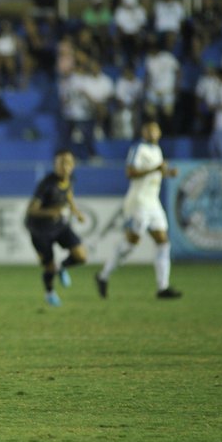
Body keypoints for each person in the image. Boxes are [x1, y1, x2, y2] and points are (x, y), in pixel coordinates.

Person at [95, 121, 182, 300]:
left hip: (153, 202)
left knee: (163, 242)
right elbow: (130, 173)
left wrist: (167, 173)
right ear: (143, 132)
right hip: (138, 202)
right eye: (148, 130)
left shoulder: (157, 151)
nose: (152, 133)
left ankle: (162, 287)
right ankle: (103, 275)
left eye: (155, 129)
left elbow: (155, 172)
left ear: (159, 132)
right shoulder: (138, 149)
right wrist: (155, 169)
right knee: (130, 244)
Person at [24, 149, 87, 307]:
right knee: (49, 266)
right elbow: (31, 210)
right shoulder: (46, 184)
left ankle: (62, 267)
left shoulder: (70, 179)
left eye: (68, 163)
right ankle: (50, 293)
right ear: (55, 165)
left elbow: (68, 195)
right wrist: (51, 211)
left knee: (81, 256)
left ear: (72, 165)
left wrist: (76, 211)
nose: (65, 166)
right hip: (40, 230)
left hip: (59, 225)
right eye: (61, 163)